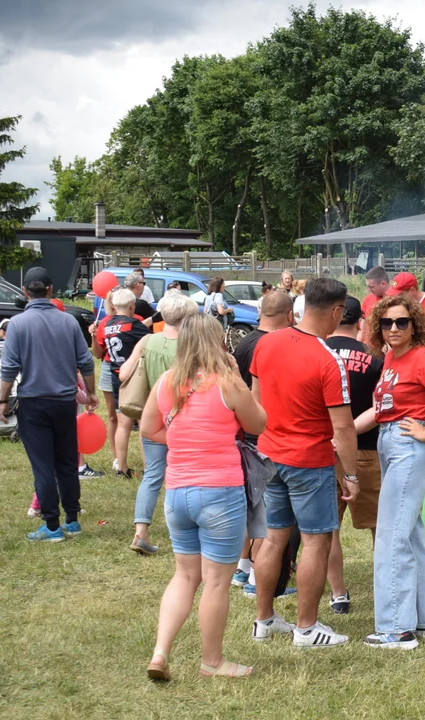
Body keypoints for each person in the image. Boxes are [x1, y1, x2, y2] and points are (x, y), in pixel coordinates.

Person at [141, 313, 266, 681]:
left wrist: (182, 440)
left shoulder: (167, 382)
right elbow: (258, 423)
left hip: (177, 491)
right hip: (219, 492)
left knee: (184, 576)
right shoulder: (227, 382)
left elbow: (149, 428)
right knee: (215, 582)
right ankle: (212, 661)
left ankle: (161, 651)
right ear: (218, 341)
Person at [248, 278, 359, 647]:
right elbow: (343, 428)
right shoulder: (328, 359)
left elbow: (256, 402)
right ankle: (307, 627)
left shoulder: (267, 343)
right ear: (337, 311)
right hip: (308, 460)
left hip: (270, 454)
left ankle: (264, 620)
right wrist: (352, 475)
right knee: (315, 541)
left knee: (274, 538)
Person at [355, 295, 425, 649]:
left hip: (407, 449)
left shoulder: (421, 358)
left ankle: (396, 629)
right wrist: (340, 434)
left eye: (402, 322)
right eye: (387, 323)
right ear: (378, 327)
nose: (394, 328)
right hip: (391, 445)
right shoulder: (389, 358)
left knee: (391, 538)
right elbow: (378, 410)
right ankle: (422, 622)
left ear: (415, 324)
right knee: (410, 534)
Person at [0, 267, 98, 542]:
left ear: (24, 291)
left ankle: (52, 526)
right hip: (65, 403)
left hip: (34, 403)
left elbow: (9, 368)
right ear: (51, 290)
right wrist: (90, 393)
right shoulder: (68, 322)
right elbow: (86, 361)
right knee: (66, 462)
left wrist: (3, 400)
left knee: (43, 466)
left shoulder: (17, 324)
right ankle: (73, 520)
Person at [119, 291, 200, 555]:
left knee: (152, 476)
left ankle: (141, 532)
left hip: (152, 419)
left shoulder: (147, 340)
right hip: (187, 419)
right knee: (191, 476)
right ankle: (192, 530)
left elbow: (124, 373)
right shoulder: (192, 346)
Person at [230, 290, 295, 593]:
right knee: (268, 513)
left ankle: (242, 568)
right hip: (267, 433)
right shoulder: (272, 345)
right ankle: (258, 578)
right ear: (289, 314)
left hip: (247, 430)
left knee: (254, 505)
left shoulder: (245, 342)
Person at [324, 296, 383, 615]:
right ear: (360, 321)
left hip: (324, 450)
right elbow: (381, 406)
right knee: (378, 526)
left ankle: (338, 593)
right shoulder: (374, 357)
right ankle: (384, 585)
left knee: (328, 528)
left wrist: (334, 436)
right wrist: (352, 432)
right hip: (365, 448)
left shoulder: (317, 352)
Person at [101, 288, 151, 478]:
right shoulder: (133, 325)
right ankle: (148, 468)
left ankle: (121, 468)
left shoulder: (107, 325)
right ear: (132, 306)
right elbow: (149, 340)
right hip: (135, 377)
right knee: (142, 422)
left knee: (123, 424)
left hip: (115, 375)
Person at [91, 288, 121, 473]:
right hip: (109, 368)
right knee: (112, 415)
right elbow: (97, 354)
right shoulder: (104, 322)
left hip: (131, 370)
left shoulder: (137, 320)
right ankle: (116, 457)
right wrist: (93, 336)